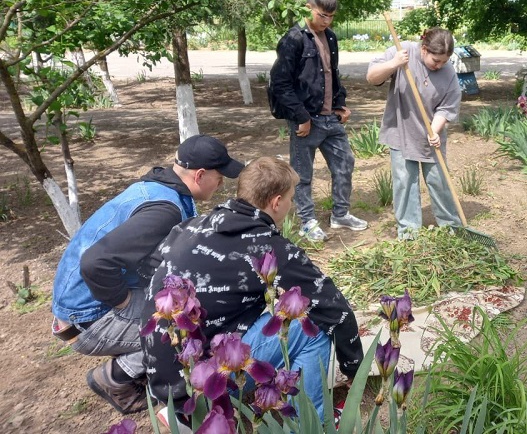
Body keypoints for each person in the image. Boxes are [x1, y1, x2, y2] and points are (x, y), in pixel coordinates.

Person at [141, 156, 364, 424]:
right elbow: (334, 308)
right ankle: (308, 424)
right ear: (277, 202)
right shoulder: (267, 247)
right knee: (313, 327)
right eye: (291, 199)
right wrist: (355, 369)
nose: (290, 206)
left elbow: (150, 271)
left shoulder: (189, 227)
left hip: (163, 372)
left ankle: (178, 408)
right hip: (203, 380)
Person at [50, 134, 244, 414]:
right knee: (197, 323)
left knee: (184, 303)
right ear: (200, 175)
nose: (222, 183)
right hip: (85, 320)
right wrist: (126, 303)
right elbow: (95, 263)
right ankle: (117, 377)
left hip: (75, 306)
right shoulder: (164, 210)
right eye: (220, 176)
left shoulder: (156, 187)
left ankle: (140, 364)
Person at [268, 0, 367, 242]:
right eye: (322, 16)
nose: (327, 21)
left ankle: (341, 214)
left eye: (331, 17)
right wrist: (301, 117)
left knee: (345, 163)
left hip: (330, 119)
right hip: (307, 121)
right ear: (308, 8)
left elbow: (332, 74)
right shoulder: (293, 39)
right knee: (302, 174)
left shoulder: (330, 37)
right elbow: (280, 84)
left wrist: (340, 103)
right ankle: (307, 221)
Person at [366, 27, 462, 240]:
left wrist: (435, 130)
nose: (440, 66)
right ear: (424, 49)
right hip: (401, 130)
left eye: (444, 61)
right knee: (405, 180)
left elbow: (448, 106)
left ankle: (451, 227)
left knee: (439, 180)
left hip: (431, 135)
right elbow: (372, 77)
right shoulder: (403, 52)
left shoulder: (448, 72)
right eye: (436, 60)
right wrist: (394, 64)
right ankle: (409, 233)